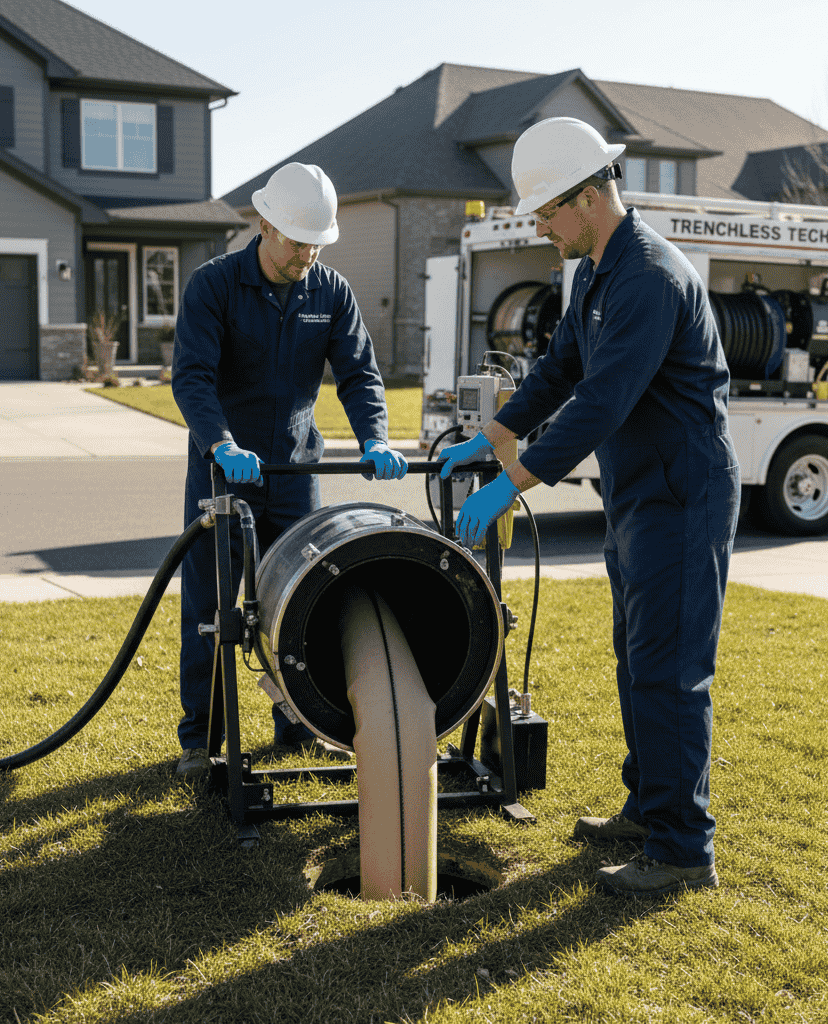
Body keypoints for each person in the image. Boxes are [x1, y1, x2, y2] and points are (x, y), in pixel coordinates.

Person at [439, 118, 740, 895]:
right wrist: (493, 434)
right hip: (640, 495)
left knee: (672, 672)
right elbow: (562, 366)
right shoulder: (597, 272)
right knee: (639, 659)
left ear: (589, 195)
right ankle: (649, 807)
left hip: (683, 495)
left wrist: (515, 479)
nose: (541, 228)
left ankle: (681, 851)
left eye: (546, 213)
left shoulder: (647, 276)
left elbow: (602, 401)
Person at [171, 162, 408, 778]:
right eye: (297, 240)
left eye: (316, 243)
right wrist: (219, 443)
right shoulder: (214, 285)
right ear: (265, 224)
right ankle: (201, 741)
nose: (307, 253)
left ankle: (298, 726)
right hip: (224, 471)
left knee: (299, 602)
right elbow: (192, 377)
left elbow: (358, 374)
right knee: (213, 608)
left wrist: (375, 438)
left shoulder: (330, 292)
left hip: (293, 471)